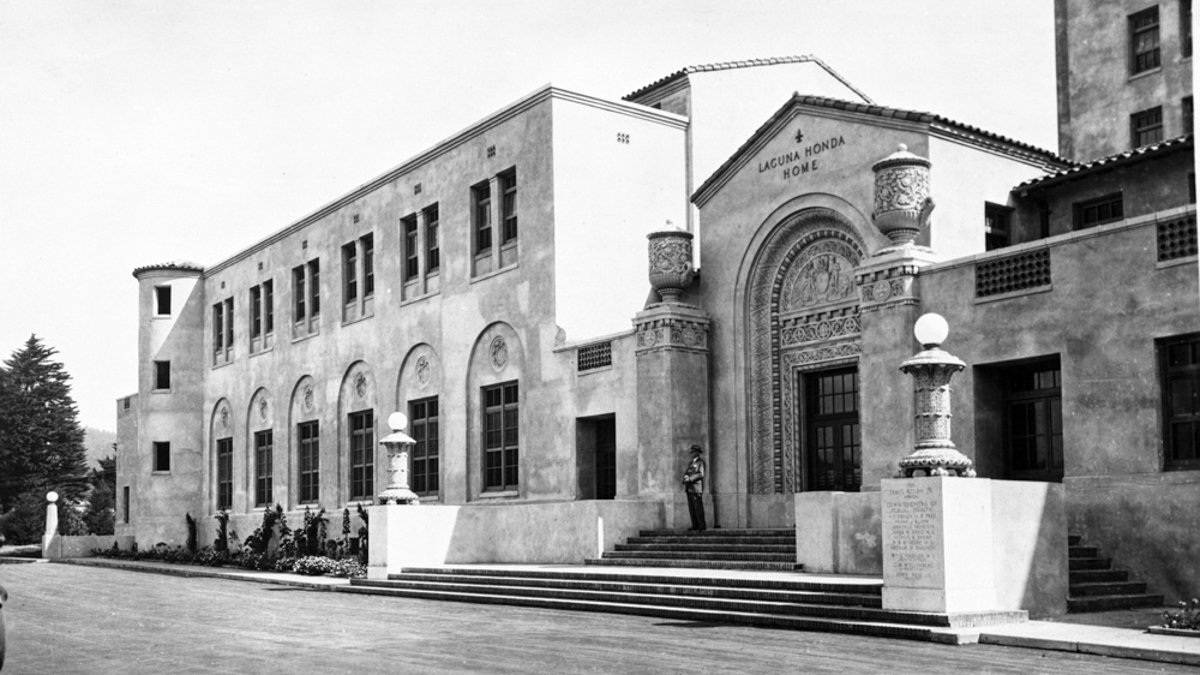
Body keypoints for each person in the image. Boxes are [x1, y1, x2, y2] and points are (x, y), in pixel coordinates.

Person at [681, 444, 707, 532]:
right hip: (689, 488)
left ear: (697, 452)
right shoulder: (690, 463)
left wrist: (690, 479)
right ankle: (694, 524)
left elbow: (700, 474)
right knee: (692, 508)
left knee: (698, 507)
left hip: (696, 488)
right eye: (691, 452)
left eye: (693, 452)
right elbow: (687, 472)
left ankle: (701, 525)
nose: (692, 453)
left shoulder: (700, 462)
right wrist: (685, 478)